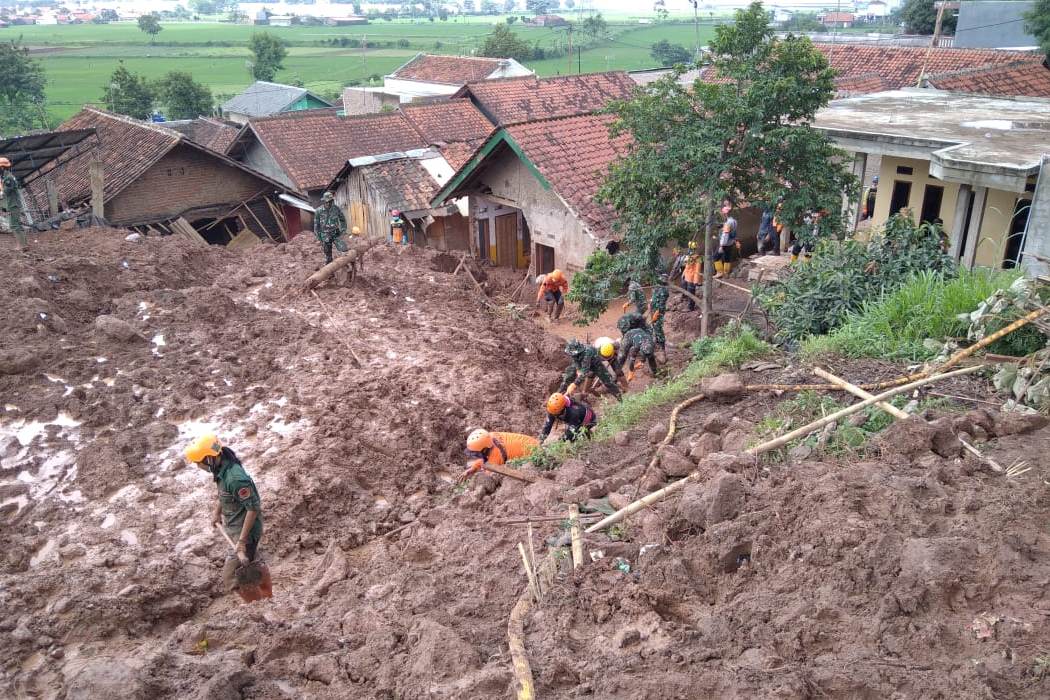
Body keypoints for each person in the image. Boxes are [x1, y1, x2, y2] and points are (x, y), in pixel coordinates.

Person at [185, 433, 272, 603]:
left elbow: (253, 508)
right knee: (254, 562)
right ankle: (267, 596)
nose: (197, 466)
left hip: (244, 532)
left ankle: (258, 605)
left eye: (198, 462)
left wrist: (241, 541)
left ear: (209, 458)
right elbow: (225, 495)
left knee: (232, 577)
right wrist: (217, 511)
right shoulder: (222, 467)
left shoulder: (235, 478)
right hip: (235, 528)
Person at [462, 429, 539, 480]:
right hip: (532, 442)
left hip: (534, 452)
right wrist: (473, 468)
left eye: (477, 453)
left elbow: (487, 477)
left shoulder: (496, 457)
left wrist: (476, 474)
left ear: (485, 449)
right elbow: (485, 458)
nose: (476, 456)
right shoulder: (489, 436)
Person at [313, 191, 346, 264]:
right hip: (325, 235)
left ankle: (345, 265)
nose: (328, 203)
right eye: (326, 202)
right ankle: (330, 270)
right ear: (323, 201)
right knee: (328, 255)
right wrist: (319, 237)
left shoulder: (336, 209)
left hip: (336, 233)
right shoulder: (318, 211)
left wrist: (343, 230)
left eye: (330, 201)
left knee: (344, 249)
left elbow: (342, 219)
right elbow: (316, 225)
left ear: (332, 201)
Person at [0, 158, 26, 248]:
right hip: (11, 204)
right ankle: (23, 244)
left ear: (2, 168)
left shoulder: (8, 178)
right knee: (16, 224)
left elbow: (6, 191)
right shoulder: (6, 177)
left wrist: (1, 193)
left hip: (13, 205)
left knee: (15, 225)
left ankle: (21, 245)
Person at [648, 275, 669, 361]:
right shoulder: (657, 287)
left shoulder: (664, 291)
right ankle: (657, 341)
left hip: (658, 312)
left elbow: (661, 305)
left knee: (658, 328)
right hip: (653, 310)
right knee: (654, 326)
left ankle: (662, 349)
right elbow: (654, 297)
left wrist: (656, 314)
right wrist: (650, 302)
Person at [682, 241, 702, 311]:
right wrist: (683, 274)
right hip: (687, 276)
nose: (690, 250)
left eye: (692, 249)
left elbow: (697, 270)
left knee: (691, 292)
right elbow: (686, 266)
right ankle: (687, 301)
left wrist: (696, 281)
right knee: (686, 290)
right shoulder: (689, 257)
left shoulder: (698, 258)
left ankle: (691, 307)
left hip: (692, 278)